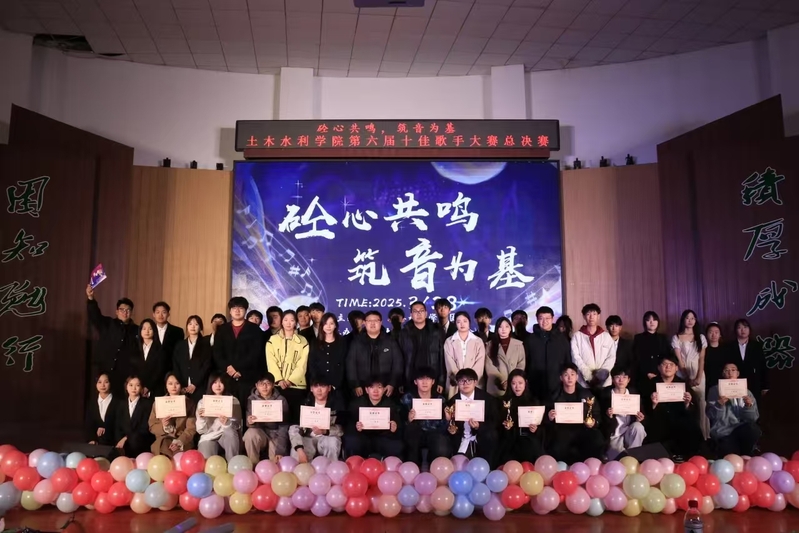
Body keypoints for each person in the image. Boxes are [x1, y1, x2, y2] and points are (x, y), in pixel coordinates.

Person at [643, 353, 704, 461]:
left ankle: (689, 457)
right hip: (658, 420)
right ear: (659, 367)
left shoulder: (683, 384)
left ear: (676, 368)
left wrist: (687, 403)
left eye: (671, 364)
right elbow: (643, 408)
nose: (668, 367)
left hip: (679, 419)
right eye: (664, 364)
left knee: (691, 426)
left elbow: (693, 410)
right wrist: (653, 404)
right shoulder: (650, 384)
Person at [213, 296, 267, 409]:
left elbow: (256, 353)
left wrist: (238, 369)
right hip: (227, 377)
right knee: (228, 411)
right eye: (234, 308)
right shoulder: (222, 329)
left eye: (240, 308)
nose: (237, 311)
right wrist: (228, 368)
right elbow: (217, 353)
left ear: (245, 310)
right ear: (230, 311)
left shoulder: (255, 329)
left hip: (247, 376)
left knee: (247, 409)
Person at [86, 284, 139, 395]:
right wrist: (91, 298)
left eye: (128, 310)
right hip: (104, 371)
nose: (125, 312)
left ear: (131, 313)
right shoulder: (108, 323)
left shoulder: (137, 330)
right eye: (122, 310)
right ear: (116, 311)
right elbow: (95, 315)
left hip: (125, 375)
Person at [546, 363, 605, 463]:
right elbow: (546, 419)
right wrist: (549, 417)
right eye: (566, 375)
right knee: (556, 443)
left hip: (582, 428)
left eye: (572, 374)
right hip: (562, 430)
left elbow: (596, 414)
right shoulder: (554, 396)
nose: (569, 378)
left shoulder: (587, 395)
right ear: (561, 378)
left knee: (596, 437)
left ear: (577, 377)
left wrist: (593, 422)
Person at [444, 368, 498, 466]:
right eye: (462, 381)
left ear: (475, 382)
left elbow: (493, 421)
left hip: (481, 436)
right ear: (457, 383)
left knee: (490, 435)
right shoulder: (452, 402)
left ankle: (488, 465)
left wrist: (479, 426)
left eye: (469, 380)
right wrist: (449, 423)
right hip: (462, 437)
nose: (465, 384)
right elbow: (450, 426)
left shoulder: (488, 399)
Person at [706, 361, 761, 456]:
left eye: (733, 370)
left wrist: (748, 407)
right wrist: (719, 405)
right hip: (724, 431)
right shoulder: (714, 390)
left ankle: (749, 453)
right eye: (726, 370)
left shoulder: (747, 392)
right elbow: (711, 415)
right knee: (730, 454)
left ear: (738, 373)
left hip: (742, 428)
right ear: (723, 374)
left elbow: (753, 418)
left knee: (753, 429)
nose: (730, 373)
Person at [400, 367, 450, 466]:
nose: (424, 382)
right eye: (421, 379)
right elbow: (400, 421)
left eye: (428, 379)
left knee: (441, 447)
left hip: (434, 433)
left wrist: (447, 419)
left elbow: (443, 428)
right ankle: (413, 469)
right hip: (414, 433)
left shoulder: (440, 399)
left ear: (433, 382)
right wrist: (408, 419)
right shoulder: (407, 399)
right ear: (415, 382)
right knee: (411, 436)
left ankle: (433, 469)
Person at [266, 309, 310, 424]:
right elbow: (271, 362)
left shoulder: (303, 341)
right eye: (285, 320)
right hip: (278, 385)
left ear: (296, 322)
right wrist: (279, 380)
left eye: (292, 320)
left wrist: (291, 380)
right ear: (282, 322)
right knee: (279, 419)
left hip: (296, 386)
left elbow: (302, 364)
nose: (288, 323)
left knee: (295, 420)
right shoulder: (273, 340)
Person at [344, 376, 404, 459]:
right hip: (363, 436)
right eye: (372, 387)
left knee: (396, 446)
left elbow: (398, 425)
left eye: (379, 387)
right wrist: (356, 427)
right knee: (352, 441)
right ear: (366, 390)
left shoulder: (390, 404)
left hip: (382, 437)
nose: (375, 391)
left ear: (384, 389)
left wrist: (394, 427)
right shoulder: (357, 404)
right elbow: (349, 425)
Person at [346, 310, 403, 398]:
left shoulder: (390, 341)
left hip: (386, 388)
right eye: (369, 321)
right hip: (363, 388)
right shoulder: (357, 342)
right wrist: (356, 385)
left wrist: (392, 383)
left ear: (381, 322)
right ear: (364, 323)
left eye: (376, 320)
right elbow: (351, 364)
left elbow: (398, 363)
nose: (372, 323)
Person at [289, 375, 345, 463]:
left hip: (326, 438)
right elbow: (294, 428)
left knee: (333, 442)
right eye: (316, 386)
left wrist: (325, 431)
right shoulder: (304, 404)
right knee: (296, 450)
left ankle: (330, 467)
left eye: (323, 386)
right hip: (308, 438)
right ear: (311, 389)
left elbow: (341, 429)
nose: (319, 390)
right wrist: (299, 449)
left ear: (329, 388)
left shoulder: (337, 405)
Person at [671, 309, 708, 439]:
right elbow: (679, 360)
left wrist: (698, 377)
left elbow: (702, 359)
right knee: (685, 404)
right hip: (682, 373)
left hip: (698, 372)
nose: (690, 321)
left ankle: (703, 436)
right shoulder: (676, 337)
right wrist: (687, 378)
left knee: (701, 404)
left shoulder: (701, 337)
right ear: (683, 320)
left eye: (693, 318)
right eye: (687, 318)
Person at [497, 369, 545, 464]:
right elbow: (496, 423)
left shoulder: (533, 401)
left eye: (520, 383)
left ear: (525, 383)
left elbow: (541, 426)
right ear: (509, 384)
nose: (517, 387)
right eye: (513, 383)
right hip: (509, 439)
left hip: (528, 438)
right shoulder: (503, 401)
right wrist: (505, 426)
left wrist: (535, 429)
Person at [599, 366, 646, 460]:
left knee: (638, 427)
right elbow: (600, 422)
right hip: (614, 435)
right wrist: (608, 416)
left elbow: (643, 416)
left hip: (629, 432)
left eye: (624, 377)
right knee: (619, 459)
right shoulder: (605, 395)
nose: (621, 380)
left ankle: (635, 457)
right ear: (613, 379)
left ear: (628, 380)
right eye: (618, 377)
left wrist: (639, 419)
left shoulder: (633, 394)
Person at [525, 306, 571, 400]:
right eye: (541, 318)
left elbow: (568, 360)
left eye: (547, 318)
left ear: (552, 319)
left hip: (557, 386)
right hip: (535, 386)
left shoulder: (561, 339)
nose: (544, 321)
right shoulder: (530, 339)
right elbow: (526, 362)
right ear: (537, 319)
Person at [399, 301, 445, 394]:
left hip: (432, 378)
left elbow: (442, 357)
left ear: (426, 313)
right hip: (410, 378)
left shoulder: (436, 332)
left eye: (421, 311)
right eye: (415, 311)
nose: (419, 314)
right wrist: (401, 381)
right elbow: (400, 359)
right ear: (411, 315)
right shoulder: (404, 333)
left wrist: (441, 380)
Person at [243, 372, 290, 463]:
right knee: (250, 434)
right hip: (260, 432)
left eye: (268, 383)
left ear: (273, 385)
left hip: (275, 434)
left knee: (276, 462)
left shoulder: (281, 400)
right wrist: (250, 422)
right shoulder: (251, 399)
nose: (264, 387)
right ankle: (254, 464)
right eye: (261, 384)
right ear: (256, 385)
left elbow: (284, 426)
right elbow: (249, 423)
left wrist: (280, 450)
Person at [148, 373, 197, 457]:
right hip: (163, 439)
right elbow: (152, 426)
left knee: (178, 453)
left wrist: (180, 441)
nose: (174, 386)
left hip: (183, 440)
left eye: (177, 383)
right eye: (170, 384)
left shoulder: (189, 403)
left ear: (181, 385)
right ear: (166, 386)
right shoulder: (158, 403)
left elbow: (191, 428)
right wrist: (163, 426)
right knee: (165, 447)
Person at [196, 373, 242, 461]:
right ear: (210, 384)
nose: (218, 385)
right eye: (215, 382)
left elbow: (237, 425)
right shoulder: (202, 402)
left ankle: (232, 464)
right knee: (206, 460)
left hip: (227, 435)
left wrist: (227, 423)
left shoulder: (233, 400)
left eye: (221, 382)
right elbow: (201, 430)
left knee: (230, 432)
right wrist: (201, 418)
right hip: (209, 436)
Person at [571, 303, 616, 391]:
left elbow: (611, 357)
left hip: (604, 383)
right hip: (583, 382)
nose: (591, 317)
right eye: (588, 314)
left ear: (598, 316)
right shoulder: (577, 336)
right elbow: (575, 357)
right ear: (584, 316)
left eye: (594, 314)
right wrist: (588, 375)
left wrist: (602, 374)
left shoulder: (606, 336)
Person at [444, 311, 486, 398]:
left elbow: (480, 362)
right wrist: (459, 378)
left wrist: (470, 379)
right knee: (454, 404)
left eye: (465, 321)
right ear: (455, 324)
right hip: (455, 381)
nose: (462, 324)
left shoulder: (478, 341)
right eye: (458, 322)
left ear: (469, 323)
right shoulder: (449, 341)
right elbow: (449, 362)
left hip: (473, 382)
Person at [173, 315, 213, 406]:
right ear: (187, 326)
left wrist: (195, 384)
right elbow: (176, 365)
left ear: (200, 327)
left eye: (196, 324)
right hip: (183, 387)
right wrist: (181, 384)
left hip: (200, 387)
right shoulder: (180, 345)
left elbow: (206, 366)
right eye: (190, 324)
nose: (193, 326)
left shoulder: (205, 345)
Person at [726, 318, 769, 398]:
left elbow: (762, 365)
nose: (743, 330)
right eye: (739, 328)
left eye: (745, 327)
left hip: (754, 382)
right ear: (735, 330)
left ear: (749, 329)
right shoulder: (729, 346)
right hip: (735, 383)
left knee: (753, 404)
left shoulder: (756, 345)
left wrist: (765, 385)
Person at [484, 317, 525, 397]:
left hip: (514, 384)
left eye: (506, 326)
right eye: (500, 327)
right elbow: (488, 365)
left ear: (510, 328)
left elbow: (521, 363)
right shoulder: (489, 345)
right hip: (496, 383)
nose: (503, 329)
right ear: (497, 329)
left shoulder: (518, 344)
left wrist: (513, 379)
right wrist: (502, 380)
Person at [113, 376, 154, 457]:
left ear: (141, 388)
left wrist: (127, 438)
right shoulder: (121, 404)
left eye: (137, 385)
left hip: (140, 442)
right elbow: (117, 426)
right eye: (131, 385)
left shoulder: (147, 404)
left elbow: (145, 427)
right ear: (126, 387)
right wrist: (120, 440)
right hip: (122, 444)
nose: (134, 388)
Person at [307, 312, 347, 393]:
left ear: (335, 325)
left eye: (331, 323)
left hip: (337, 386)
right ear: (322, 325)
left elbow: (343, 364)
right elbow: (312, 364)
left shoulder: (342, 342)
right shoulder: (315, 342)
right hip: (318, 385)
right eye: (325, 323)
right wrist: (317, 383)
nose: (328, 326)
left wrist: (336, 384)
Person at [632, 311, 671, 392]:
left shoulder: (663, 338)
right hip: (643, 375)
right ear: (644, 322)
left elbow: (667, 356)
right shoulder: (639, 338)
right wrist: (647, 373)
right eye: (648, 320)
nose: (651, 322)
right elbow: (637, 358)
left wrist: (661, 372)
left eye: (654, 320)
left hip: (661, 375)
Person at [135, 318, 169, 398]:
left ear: (154, 331)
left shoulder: (161, 349)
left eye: (150, 329)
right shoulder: (135, 348)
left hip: (155, 389)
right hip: (137, 388)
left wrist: (148, 387)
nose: (147, 331)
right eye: (144, 329)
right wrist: (139, 386)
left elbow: (160, 370)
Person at [86, 373, 120, 446]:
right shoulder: (92, 402)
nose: (103, 385)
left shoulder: (118, 403)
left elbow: (119, 424)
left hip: (114, 442)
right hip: (96, 444)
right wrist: (92, 439)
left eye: (106, 382)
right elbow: (89, 424)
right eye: (99, 382)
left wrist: (106, 429)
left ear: (110, 383)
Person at [704, 322, 726, 392]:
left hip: (723, 381)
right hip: (707, 381)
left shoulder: (726, 349)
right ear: (706, 335)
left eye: (716, 332)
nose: (714, 335)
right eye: (711, 332)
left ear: (720, 335)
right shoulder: (703, 350)